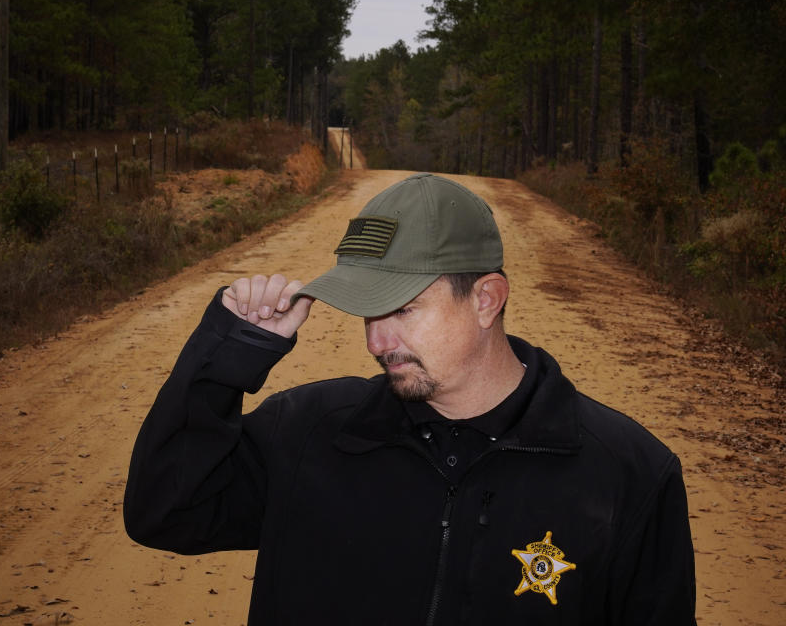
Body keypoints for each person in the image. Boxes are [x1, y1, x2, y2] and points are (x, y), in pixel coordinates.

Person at [124, 172, 696, 625]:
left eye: (403, 309)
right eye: (370, 311)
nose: (377, 340)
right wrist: (228, 359)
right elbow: (165, 512)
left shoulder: (628, 475)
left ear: (486, 300)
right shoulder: (308, 435)